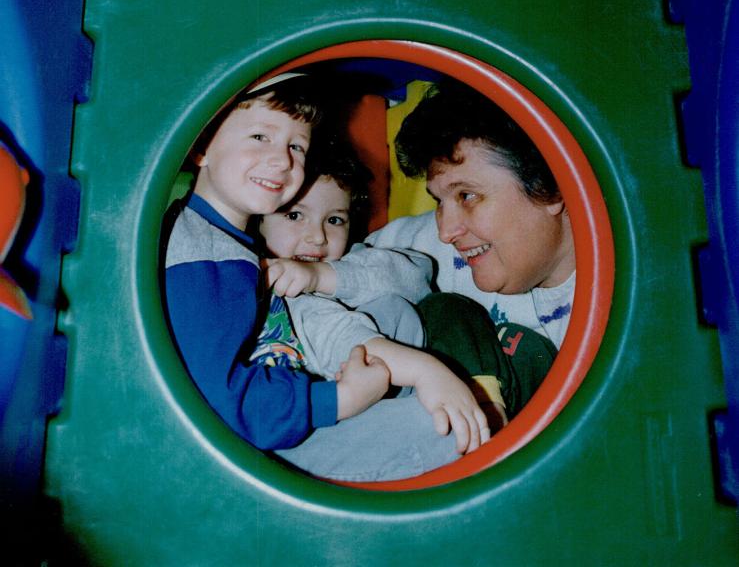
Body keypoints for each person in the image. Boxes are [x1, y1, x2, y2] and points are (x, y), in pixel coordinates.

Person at [164, 75, 489, 484]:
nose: (282, 160)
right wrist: (339, 400)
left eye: (296, 146)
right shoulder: (202, 256)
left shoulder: (225, 242)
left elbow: (332, 324)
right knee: (446, 433)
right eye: (261, 136)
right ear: (201, 145)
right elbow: (219, 405)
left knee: (395, 316)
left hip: (286, 407)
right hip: (249, 457)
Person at [262, 132, 557, 425]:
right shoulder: (260, 296)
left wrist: (322, 277)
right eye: (294, 216)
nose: (317, 237)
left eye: (335, 220)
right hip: (380, 407)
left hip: (441, 374)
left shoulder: (357, 261)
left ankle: (487, 404)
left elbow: (414, 277)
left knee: (492, 330)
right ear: (258, 222)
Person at [325, 80, 575, 352]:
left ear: (550, 187)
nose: (445, 232)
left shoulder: (620, 308)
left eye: (467, 196)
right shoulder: (416, 249)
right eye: (438, 201)